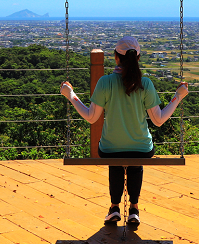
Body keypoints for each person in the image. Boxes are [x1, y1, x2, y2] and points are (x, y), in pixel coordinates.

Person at [60, 35, 189, 227]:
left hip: (110, 148)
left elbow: (91, 117)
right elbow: (159, 120)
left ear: (116, 57)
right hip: (142, 148)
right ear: (138, 58)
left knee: (115, 159)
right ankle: (134, 210)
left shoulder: (105, 82)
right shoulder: (145, 83)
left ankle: (114, 207)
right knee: (136, 162)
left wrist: (70, 95)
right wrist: (177, 97)